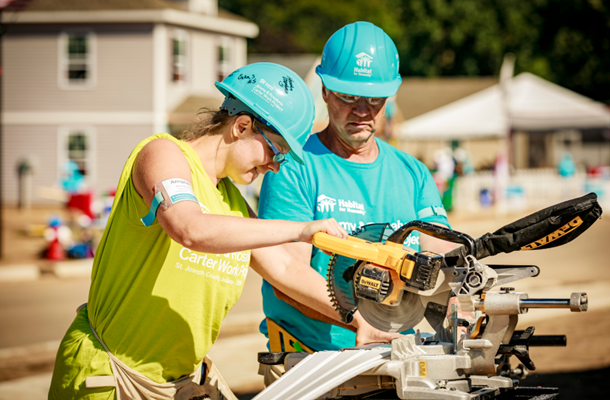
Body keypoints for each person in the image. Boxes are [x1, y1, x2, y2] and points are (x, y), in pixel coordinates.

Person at [48, 62, 398, 400]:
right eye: (277, 150)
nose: (275, 166)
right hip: (111, 377)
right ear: (242, 126)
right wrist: (300, 229)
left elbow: (286, 269)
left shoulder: (230, 202)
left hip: (178, 380)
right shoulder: (162, 155)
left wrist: (357, 318)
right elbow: (189, 228)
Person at [258, 22, 458, 381]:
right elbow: (285, 277)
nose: (363, 110)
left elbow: (444, 259)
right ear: (324, 91)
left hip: (400, 361)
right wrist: (358, 322)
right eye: (348, 97)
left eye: (374, 100)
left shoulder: (413, 173)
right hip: (313, 366)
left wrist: (462, 294)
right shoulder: (294, 166)